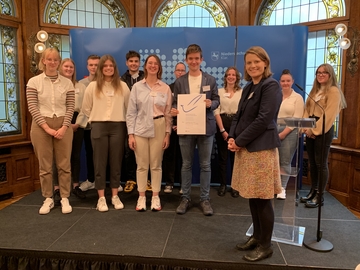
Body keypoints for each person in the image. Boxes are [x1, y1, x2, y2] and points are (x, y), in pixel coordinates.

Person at [228, 46, 282, 262]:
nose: (252, 66)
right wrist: (232, 137)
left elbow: (263, 120)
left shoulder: (271, 86)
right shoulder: (249, 86)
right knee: (252, 196)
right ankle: (257, 237)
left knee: (263, 199)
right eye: (249, 63)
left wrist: (239, 141)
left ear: (265, 63)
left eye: (256, 62)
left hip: (261, 150)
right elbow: (238, 116)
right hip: (246, 149)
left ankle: (266, 245)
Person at [171, 44, 220, 216]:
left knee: (205, 165)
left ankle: (205, 199)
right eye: (190, 58)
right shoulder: (179, 81)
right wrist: (175, 110)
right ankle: (185, 197)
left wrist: (210, 104)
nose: (193, 61)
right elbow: (175, 102)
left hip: (205, 126)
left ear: (201, 59)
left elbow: (216, 100)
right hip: (186, 126)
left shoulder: (210, 80)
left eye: (196, 58)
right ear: (186, 60)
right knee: (186, 164)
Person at [26, 48, 75, 214]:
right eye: (49, 59)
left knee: (64, 164)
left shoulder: (67, 83)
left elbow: (70, 107)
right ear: (44, 61)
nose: (52, 62)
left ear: (59, 62)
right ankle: (48, 198)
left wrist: (63, 127)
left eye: (55, 60)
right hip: (41, 125)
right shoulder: (34, 82)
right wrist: (46, 127)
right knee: (45, 165)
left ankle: (64, 197)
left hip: (63, 124)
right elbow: (33, 107)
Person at [81, 54, 130, 212]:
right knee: (99, 162)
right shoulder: (92, 87)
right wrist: (98, 119)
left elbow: (129, 108)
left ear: (115, 68)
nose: (108, 68)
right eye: (105, 66)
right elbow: (86, 108)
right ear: (101, 68)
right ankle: (101, 198)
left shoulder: (122, 86)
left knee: (116, 162)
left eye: (111, 66)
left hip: (118, 126)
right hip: (98, 126)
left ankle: (115, 195)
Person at [126, 54, 172, 211]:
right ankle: (141, 197)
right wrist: (130, 134)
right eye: (150, 63)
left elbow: (168, 114)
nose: (153, 66)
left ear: (159, 67)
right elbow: (131, 113)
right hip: (140, 127)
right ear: (145, 66)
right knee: (142, 164)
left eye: (156, 64)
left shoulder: (165, 88)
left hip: (159, 125)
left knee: (156, 164)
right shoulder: (137, 87)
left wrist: (167, 134)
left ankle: (155, 197)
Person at [300, 63, 346, 208]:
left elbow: (329, 115)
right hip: (311, 128)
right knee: (312, 163)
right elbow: (307, 110)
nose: (320, 75)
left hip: (323, 130)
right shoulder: (315, 90)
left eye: (324, 72)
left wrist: (314, 131)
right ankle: (313, 191)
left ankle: (320, 196)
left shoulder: (333, 91)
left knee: (321, 164)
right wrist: (307, 128)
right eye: (318, 72)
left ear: (330, 75)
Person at [53, 58, 87, 202]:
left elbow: (86, 108)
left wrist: (76, 124)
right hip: (59, 122)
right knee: (59, 156)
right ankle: (57, 188)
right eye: (66, 67)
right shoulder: (55, 85)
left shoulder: (81, 86)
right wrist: (64, 125)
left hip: (76, 123)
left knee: (75, 156)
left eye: (71, 67)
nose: (68, 69)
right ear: (61, 68)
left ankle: (75, 186)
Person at [120, 50, 148, 193]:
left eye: (136, 61)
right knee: (129, 150)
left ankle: (146, 180)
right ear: (127, 63)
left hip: (145, 120)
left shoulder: (146, 77)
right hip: (128, 119)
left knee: (146, 151)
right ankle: (130, 180)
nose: (133, 64)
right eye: (131, 61)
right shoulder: (121, 79)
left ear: (140, 63)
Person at [214, 66, 242, 197]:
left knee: (235, 158)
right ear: (225, 77)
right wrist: (222, 130)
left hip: (237, 126)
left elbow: (242, 112)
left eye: (233, 75)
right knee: (223, 157)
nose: (231, 77)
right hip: (222, 125)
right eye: (228, 75)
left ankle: (235, 186)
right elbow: (216, 112)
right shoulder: (219, 92)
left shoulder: (242, 93)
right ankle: (223, 184)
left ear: (237, 78)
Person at [276, 69, 304, 200]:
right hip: (274, 129)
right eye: (283, 81)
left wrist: (283, 134)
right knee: (274, 160)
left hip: (290, 132)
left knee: (285, 160)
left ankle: (282, 188)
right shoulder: (276, 95)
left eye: (288, 81)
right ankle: (274, 186)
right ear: (279, 82)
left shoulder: (297, 98)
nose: (285, 83)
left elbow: (297, 118)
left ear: (292, 82)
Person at [162, 62, 186, 193]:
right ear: (174, 72)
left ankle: (183, 184)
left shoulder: (188, 88)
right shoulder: (168, 88)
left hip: (186, 127)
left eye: (183, 70)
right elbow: (167, 109)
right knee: (169, 155)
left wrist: (181, 124)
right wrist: (173, 125)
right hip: (170, 127)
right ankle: (169, 183)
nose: (180, 73)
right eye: (178, 70)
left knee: (184, 157)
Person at [78, 55, 100, 193]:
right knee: (90, 154)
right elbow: (81, 106)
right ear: (87, 66)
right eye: (91, 65)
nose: (93, 67)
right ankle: (91, 180)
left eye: (96, 65)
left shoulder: (106, 83)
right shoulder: (81, 84)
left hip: (102, 125)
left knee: (105, 154)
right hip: (87, 126)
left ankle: (106, 181)